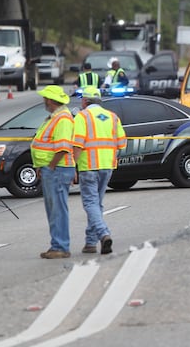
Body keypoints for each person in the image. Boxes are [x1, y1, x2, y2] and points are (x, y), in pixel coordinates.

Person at [72, 86, 127, 255]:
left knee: (90, 203)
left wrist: (73, 167)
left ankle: (103, 234)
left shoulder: (82, 116)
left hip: (88, 166)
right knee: (96, 204)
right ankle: (90, 243)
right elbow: (122, 143)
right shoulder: (112, 117)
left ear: (85, 101)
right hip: (107, 166)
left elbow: (78, 143)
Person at [31, 85, 75, 259]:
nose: (43, 101)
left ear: (49, 100)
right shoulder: (55, 117)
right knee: (54, 209)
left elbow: (63, 147)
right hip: (53, 169)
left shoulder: (62, 119)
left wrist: (50, 166)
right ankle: (57, 244)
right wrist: (42, 166)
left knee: (57, 209)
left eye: (45, 98)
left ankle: (60, 246)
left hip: (57, 169)